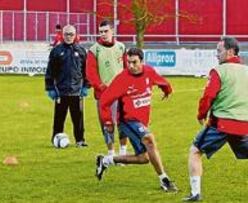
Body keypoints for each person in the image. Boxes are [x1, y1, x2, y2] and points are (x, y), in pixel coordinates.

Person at [95, 48, 178, 193]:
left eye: (134, 62)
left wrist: (167, 90)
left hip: (141, 121)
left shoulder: (149, 72)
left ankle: (106, 160)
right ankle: (164, 179)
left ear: (142, 62)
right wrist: (108, 122)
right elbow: (104, 101)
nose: (131, 66)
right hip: (127, 121)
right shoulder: (122, 79)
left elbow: (162, 81)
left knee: (143, 158)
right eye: (128, 62)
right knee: (149, 139)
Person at [183, 37, 248, 202]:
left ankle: (195, 193)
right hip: (244, 125)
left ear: (230, 51)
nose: (216, 55)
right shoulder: (246, 71)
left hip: (221, 124)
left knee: (195, 151)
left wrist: (201, 114)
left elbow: (208, 96)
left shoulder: (218, 71)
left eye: (219, 51)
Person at [86, 20, 128, 156]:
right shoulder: (94, 50)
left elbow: (127, 69)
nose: (103, 34)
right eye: (101, 32)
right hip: (104, 95)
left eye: (106, 31)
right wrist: (102, 87)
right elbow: (90, 73)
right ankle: (111, 153)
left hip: (121, 94)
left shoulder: (121, 47)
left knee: (123, 122)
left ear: (112, 31)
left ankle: (123, 152)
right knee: (107, 124)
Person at [45, 25, 89, 147]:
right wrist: (50, 88)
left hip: (77, 91)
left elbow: (86, 71)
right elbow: (50, 71)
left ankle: (80, 140)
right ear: (62, 35)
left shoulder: (81, 51)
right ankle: (56, 139)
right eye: (66, 34)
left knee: (78, 118)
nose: (69, 37)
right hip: (61, 92)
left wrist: (85, 86)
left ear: (75, 35)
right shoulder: (56, 51)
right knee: (59, 118)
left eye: (71, 34)